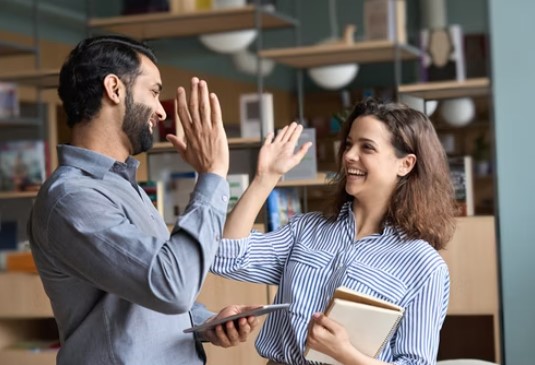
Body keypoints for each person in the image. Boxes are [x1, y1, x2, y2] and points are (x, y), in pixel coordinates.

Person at [28, 35, 260, 365]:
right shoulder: (72, 199)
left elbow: (146, 286)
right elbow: (173, 286)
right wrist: (212, 174)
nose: (160, 111)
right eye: (153, 91)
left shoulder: (125, 185)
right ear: (114, 88)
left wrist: (205, 323)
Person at [211, 99, 457, 365]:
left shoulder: (425, 266)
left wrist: (345, 354)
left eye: (367, 147)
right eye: (349, 144)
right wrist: (265, 178)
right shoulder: (306, 230)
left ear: (405, 164)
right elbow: (225, 257)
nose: (349, 155)